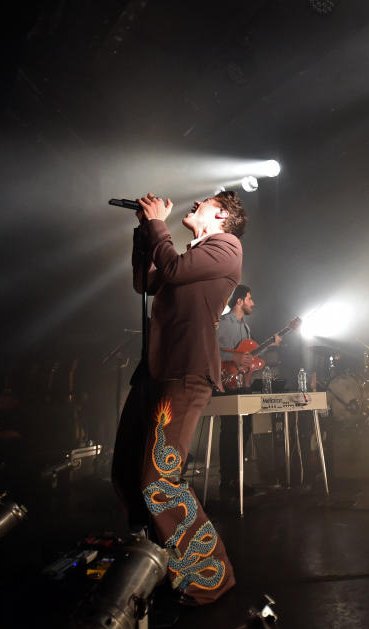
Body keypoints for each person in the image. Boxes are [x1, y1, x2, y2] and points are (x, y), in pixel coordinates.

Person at [112, 190, 244, 605]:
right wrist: (142, 230)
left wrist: (156, 224)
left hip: (186, 373)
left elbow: (169, 265)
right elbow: (146, 281)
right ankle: (157, 562)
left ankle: (210, 578)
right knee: (127, 471)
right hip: (155, 371)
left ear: (221, 214)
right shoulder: (188, 253)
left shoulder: (226, 246)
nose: (193, 205)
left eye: (203, 202)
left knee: (158, 479)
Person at [217, 285, 281, 500]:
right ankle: (226, 481)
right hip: (225, 384)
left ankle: (237, 480)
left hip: (242, 384)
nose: (253, 303)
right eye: (250, 299)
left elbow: (249, 355)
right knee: (229, 431)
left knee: (243, 431)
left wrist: (271, 344)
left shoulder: (246, 328)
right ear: (239, 301)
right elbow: (209, 350)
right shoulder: (224, 324)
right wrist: (232, 359)